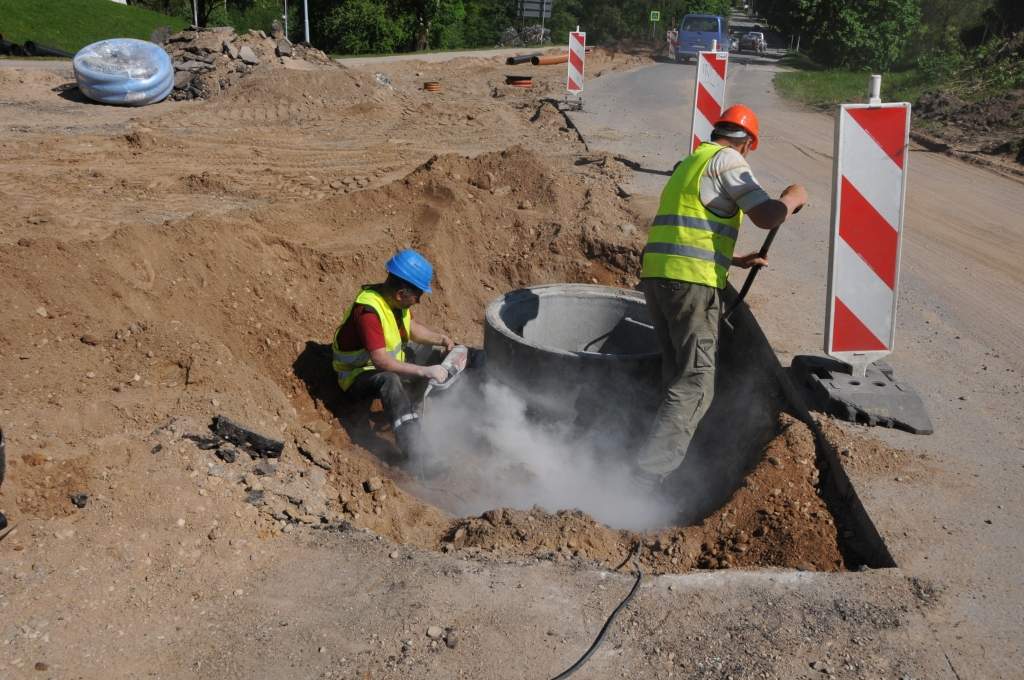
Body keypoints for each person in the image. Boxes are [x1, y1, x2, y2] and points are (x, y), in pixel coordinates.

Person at [633, 104, 808, 489]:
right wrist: (792, 199)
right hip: (691, 283)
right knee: (695, 382)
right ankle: (647, 479)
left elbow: (687, 229)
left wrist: (734, 259)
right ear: (749, 145)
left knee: (676, 375)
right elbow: (766, 215)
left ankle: (652, 455)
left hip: (659, 279)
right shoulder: (728, 160)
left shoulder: (689, 163)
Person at [331, 249, 454, 461]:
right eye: (418, 296)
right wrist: (424, 371)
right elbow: (381, 360)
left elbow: (411, 328)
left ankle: (411, 409)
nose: (418, 301)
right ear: (401, 294)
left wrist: (439, 339)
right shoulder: (368, 312)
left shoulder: (395, 302)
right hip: (357, 376)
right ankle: (417, 454)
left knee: (426, 354)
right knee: (390, 381)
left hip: (376, 365)